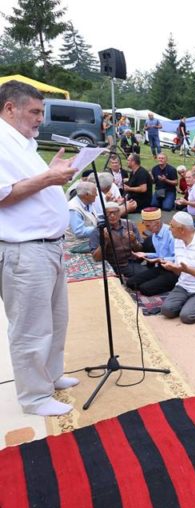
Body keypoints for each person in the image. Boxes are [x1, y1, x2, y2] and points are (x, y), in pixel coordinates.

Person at [0, 80, 80, 416]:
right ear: (9, 108)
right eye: (34, 111)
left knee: (56, 319)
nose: (39, 119)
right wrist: (49, 178)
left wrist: (50, 173)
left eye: (41, 112)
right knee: (31, 326)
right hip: (24, 250)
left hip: (47, 246)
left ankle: (51, 375)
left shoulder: (23, 144)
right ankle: (34, 397)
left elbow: (26, 187)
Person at [126, 207, 179, 296]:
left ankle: (175, 285)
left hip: (174, 271)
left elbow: (177, 259)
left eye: (148, 226)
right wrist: (145, 254)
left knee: (145, 289)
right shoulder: (155, 235)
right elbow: (159, 254)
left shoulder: (171, 234)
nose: (146, 229)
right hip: (162, 267)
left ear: (157, 223)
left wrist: (159, 259)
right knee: (131, 283)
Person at [90, 201, 145, 277]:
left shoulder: (130, 224)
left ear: (119, 213)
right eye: (109, 213)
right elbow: (96, 258)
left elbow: (141, 250)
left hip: (133, 260)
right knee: (144, 274)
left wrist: (134, 241)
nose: (112, 216)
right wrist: (105, 241)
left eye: (115, 212)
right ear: (104, 215)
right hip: (117, 265)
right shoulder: (98, 231)